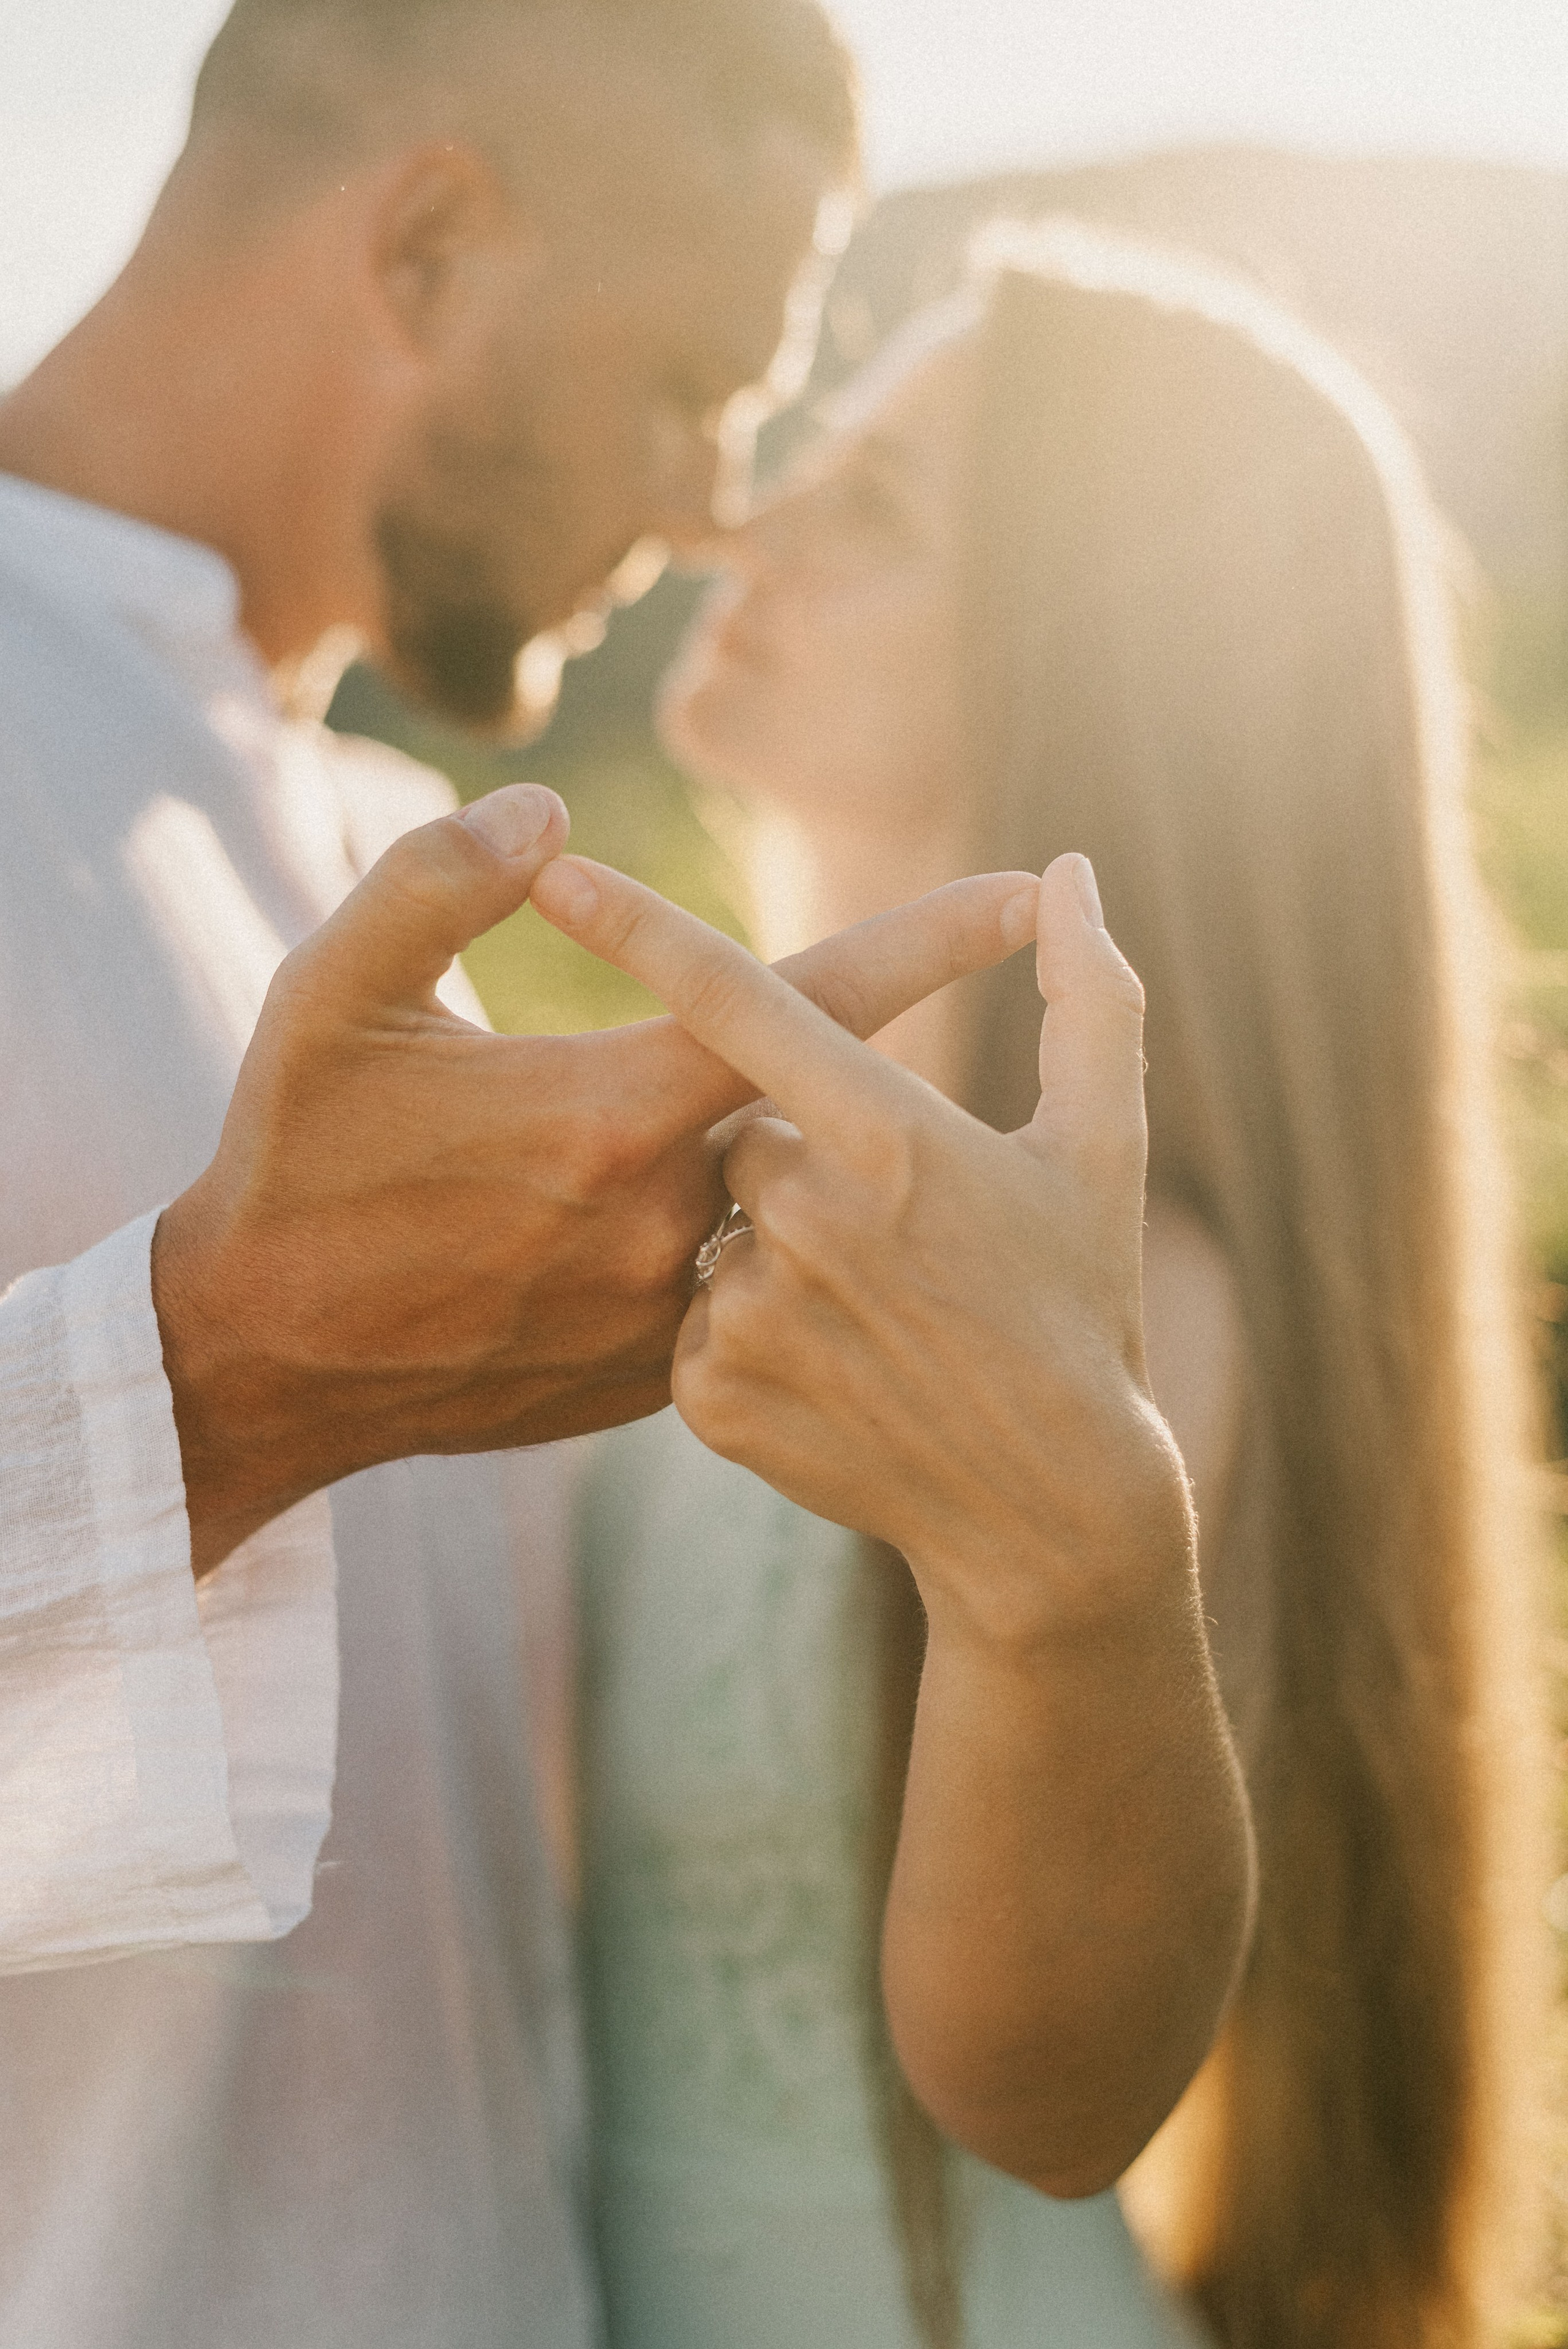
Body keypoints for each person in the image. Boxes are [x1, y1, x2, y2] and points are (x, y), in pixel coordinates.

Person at [0, 2, 1046, 2342]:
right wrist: (214, 1382)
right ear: (434, 243)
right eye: (694, 377)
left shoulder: (379, 853)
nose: (707, 502)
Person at [568, 228, 1545, 2348]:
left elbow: (1037, 2093)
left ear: (1096, 658)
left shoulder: (1144, 1309)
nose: (755, 522)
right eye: (814, 451)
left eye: (882, 506)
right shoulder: (715, 1185)